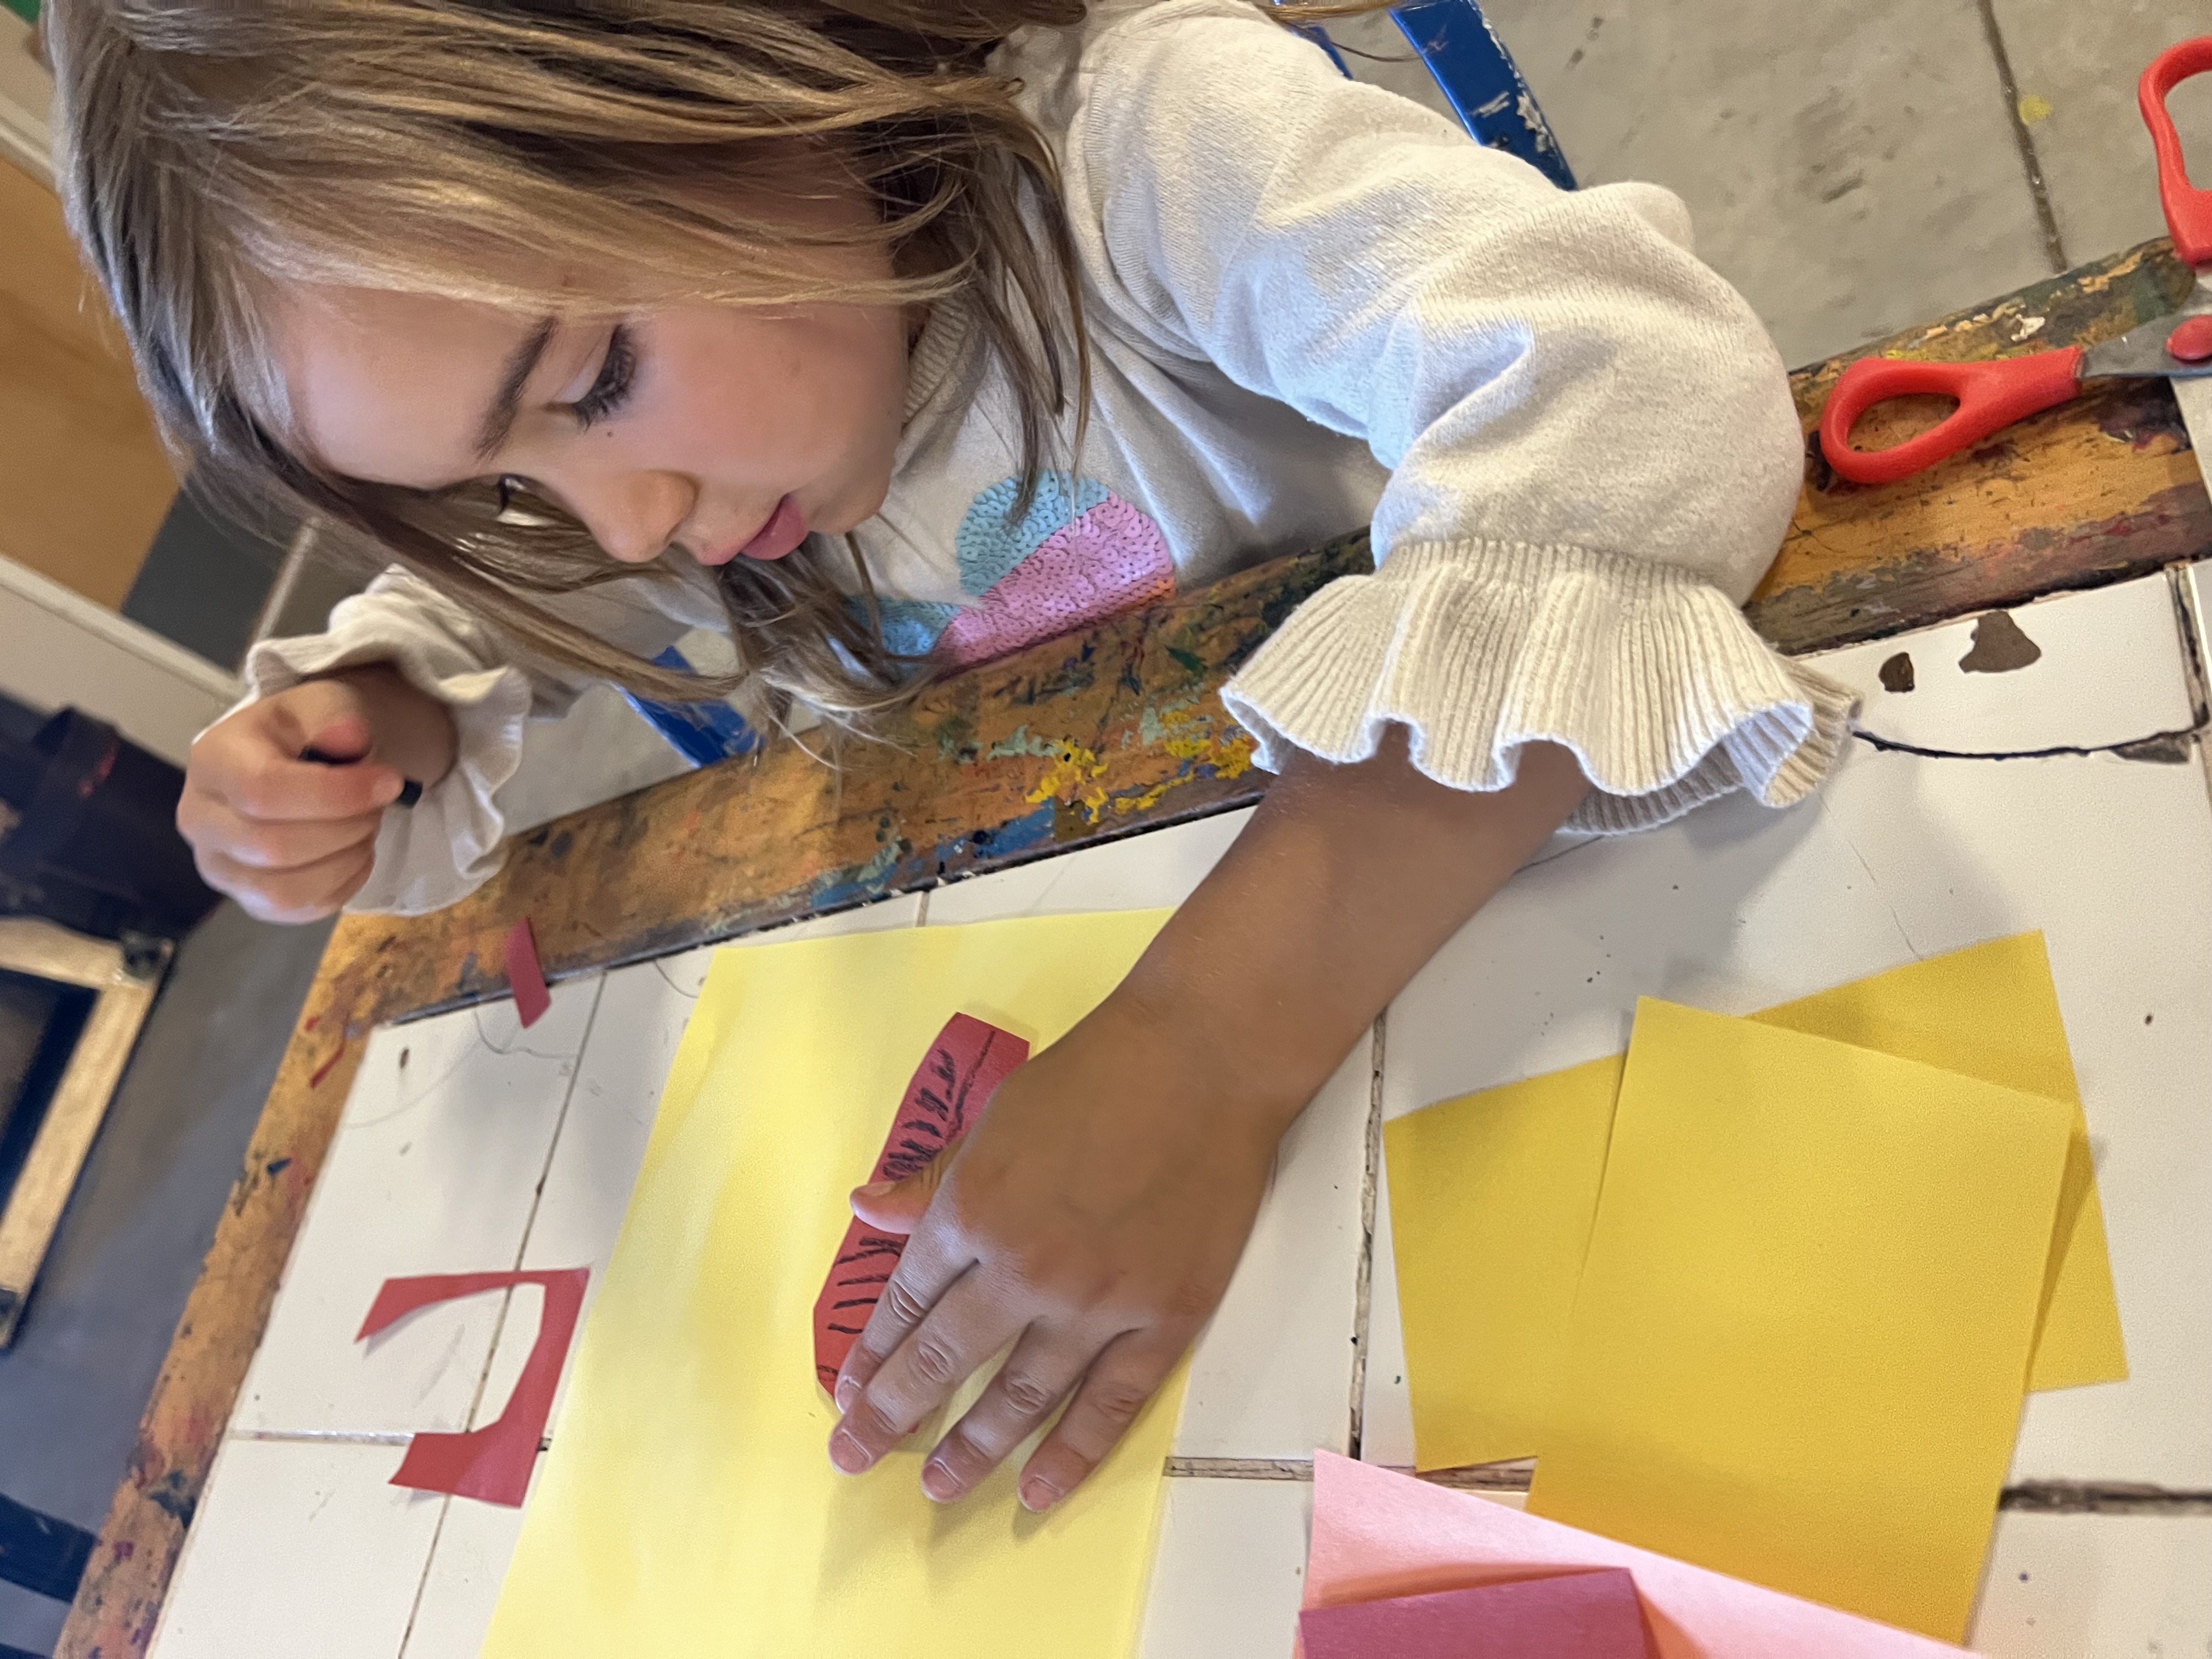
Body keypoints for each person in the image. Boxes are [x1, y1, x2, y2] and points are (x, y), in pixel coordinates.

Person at [52, 0, 1849, 1513]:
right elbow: (491, 587)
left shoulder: (1143, 160)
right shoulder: (695, 445)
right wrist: (395, 707)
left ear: (747, 53)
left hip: (1512, 945)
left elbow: (1639, 389)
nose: (629, 523)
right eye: (498, 484)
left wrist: (1210, 1043)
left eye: (596, 380)